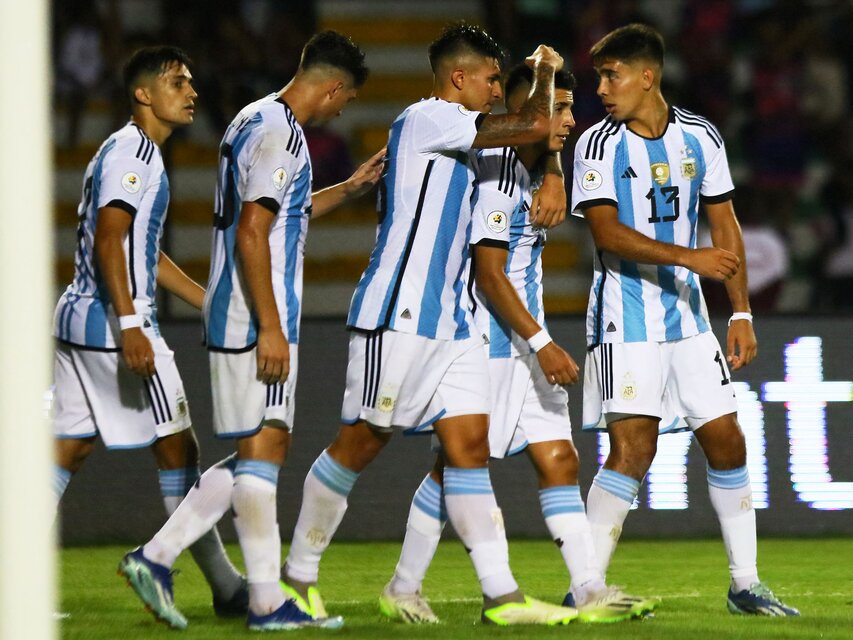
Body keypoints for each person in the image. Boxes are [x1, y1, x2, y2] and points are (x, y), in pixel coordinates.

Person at [278, 23, 578, 626]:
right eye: (492, 80)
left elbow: (536, 143)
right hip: (400, 312)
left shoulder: (469, 136)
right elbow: (535, 126)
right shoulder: (427, 117)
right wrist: (543, 72)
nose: (498, 90)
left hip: (452, 322)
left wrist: (552, 170)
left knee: (467, 450)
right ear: (457, 78)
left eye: (503, 79)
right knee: (362, 442)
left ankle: (502, 596)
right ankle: (295, 580)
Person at [118, 31, 385, 631]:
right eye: (345, 100)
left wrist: (347, 189)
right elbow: (251, 232)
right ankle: (256, 599)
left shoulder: (252, 118)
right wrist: (270, 325)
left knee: (258, 451)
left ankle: (167, 561)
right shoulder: (283, 136)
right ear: (335, 86)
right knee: (263, 452)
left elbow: (279, 210)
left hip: (236, 311)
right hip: (250, 316)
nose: (342, 111)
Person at [376, 63, 658, 625]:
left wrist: (552, 168)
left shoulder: (540, 165)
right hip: (490, 337)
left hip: (525, 340)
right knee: (454, 466)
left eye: (570, 109)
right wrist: (543, 343)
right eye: (556, 109)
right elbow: (489, 273)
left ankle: (587, 588)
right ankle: (405, 586)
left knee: (559, 459)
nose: (569, 120)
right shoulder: (498, 177)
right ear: (525, 114)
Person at [571, 24, 799, 616]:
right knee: (632, 448)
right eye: (599, 76)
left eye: (611, 74)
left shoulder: (701, 137)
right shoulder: (597, 144)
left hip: (691, 320)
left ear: (648, 76)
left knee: (727, 439)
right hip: (626, 317)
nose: (601, 87)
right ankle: (585, 586)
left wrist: (741, 308)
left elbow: (726, 225)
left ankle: (745, 584)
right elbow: (605, 232)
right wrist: (688, 258)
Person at [52, 46, 247, 623]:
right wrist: (132, 324)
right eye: (177, 81)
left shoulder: (133, 152)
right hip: (113, 325)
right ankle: (197, 576)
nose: (191, 91)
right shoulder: (134, 151)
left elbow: (143, 251)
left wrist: (208, 301)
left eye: (191, 81)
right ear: (144, 94)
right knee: (179, 452)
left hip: (81, 320)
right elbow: (110, 239)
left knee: (66, 450)